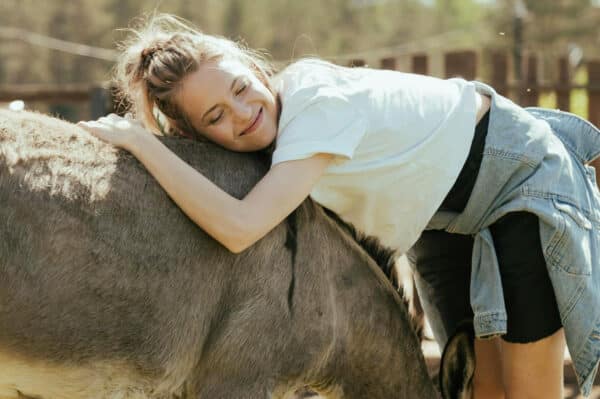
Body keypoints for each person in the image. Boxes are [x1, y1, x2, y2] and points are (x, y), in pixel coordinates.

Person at [78, 13, 600, 398]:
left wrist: (142, 144)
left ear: (256, 69)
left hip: (521, 176)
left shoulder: (315, 107)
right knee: (479, 389)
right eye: (216, 117)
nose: (242, 113)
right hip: (446, 216)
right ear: (197, 135)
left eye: (241, 88)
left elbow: (240, 227)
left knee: (528, 391)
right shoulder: (279, 147)